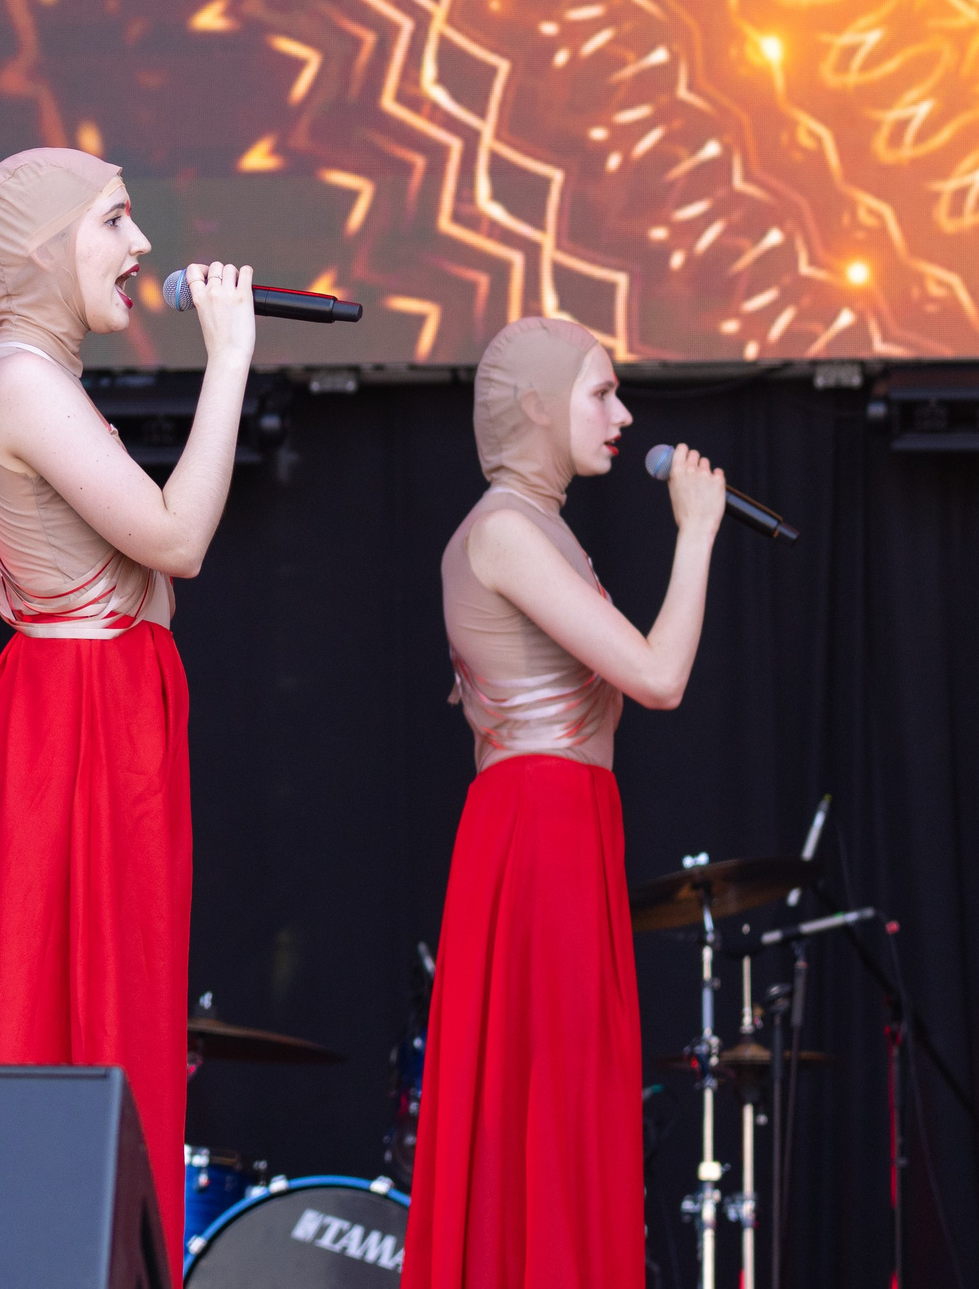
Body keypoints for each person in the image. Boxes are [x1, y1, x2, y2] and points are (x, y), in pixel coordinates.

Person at [0, 146, 256, 1282]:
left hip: (96, 714)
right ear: (43, 247)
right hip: (75, 724)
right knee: (65, 1020)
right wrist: (227, 364)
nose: (142, 250)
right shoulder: (21, 380)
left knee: (102, 1019)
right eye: (115, 222)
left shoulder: (35, 377)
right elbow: (176, 539)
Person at [401, 318, 725, 1289]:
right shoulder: (503, 530)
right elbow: (658, 677)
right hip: (539, 827)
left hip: (559, 821)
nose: (621, 414)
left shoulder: (534, 529)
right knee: (543, 1100)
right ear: (536, 408)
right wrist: (698, 531)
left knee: (562, 1099)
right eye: (600, 392)